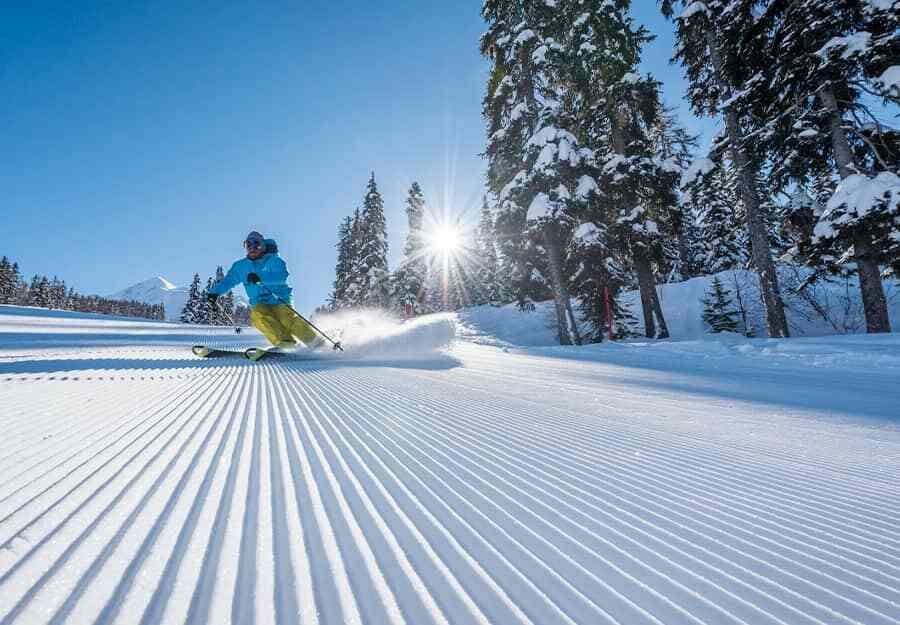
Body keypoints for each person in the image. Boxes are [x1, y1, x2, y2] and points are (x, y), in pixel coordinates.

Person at [207, 231, 324, 351]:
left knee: (286, 319)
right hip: (259, 301)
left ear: (263, 246)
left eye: (256, 244)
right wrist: (214, 293)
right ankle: (285, 343)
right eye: (248, 245)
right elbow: (228, 281)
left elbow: (281, 275)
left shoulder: (273, 260)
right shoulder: (240, 266)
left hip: (279, 298)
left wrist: (261, 278)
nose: (252, 248)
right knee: (259, 317)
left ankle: (315, 341)